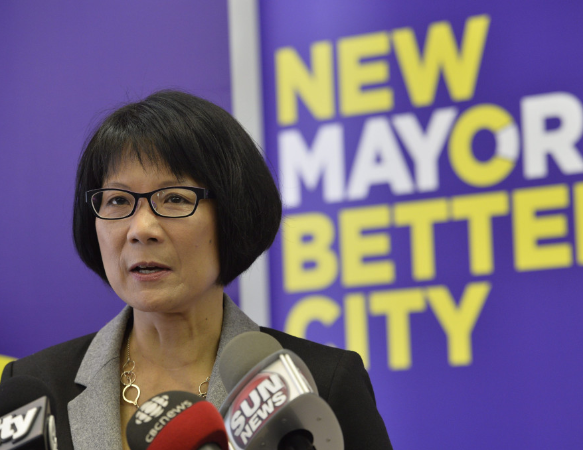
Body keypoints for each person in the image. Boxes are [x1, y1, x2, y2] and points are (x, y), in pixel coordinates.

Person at [0, 90, 393, 450]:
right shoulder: (34, 391)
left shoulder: (321, 384)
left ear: (233, 214)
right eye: (118, 200)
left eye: (174, 198)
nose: (141, 229)